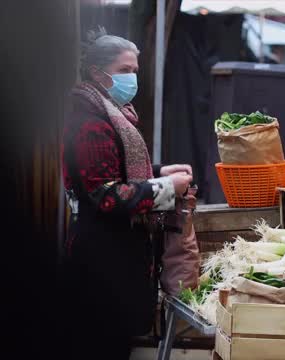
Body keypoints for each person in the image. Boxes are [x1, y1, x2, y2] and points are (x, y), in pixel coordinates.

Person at [57, 28, 193, 359]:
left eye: (134, 71)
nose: (132, 78)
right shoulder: (90, 123)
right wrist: (164, 188)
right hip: (101, 263)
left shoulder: (112, 115)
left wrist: (160, 171)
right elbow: (107, 195)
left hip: (116, 259)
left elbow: (116, 169)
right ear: (96, 73)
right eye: (124, 71)